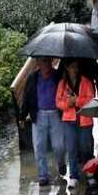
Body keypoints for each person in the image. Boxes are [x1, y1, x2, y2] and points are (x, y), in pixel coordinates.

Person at [18, 57, 65, 186]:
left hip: (55, 115)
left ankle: (61, 163)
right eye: (43, 61)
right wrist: (22, 116)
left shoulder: (57, 75)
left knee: (59, 146)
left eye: (48, 61)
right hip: (39, 115)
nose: (46, 64)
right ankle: (43, 175)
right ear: (38, 63)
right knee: (39, 147)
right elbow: (27, 97)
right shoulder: (32, 78)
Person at [55, 59, 95, 189]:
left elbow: (91, 100)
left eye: (76, 67)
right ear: (67, 68)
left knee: (85, 148)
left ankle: (89, 172)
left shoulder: (86, 82)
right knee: (71, 148)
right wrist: (68, 103)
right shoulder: (62, 84)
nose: (75, 70)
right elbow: (58, 102)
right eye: (72, 67)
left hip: (84, 120)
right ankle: (73, 176)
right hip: (69, 120)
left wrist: (76, 101)